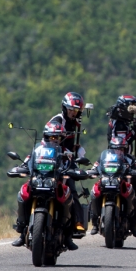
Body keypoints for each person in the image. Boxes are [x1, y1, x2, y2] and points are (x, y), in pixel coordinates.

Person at [11, 121, 78, 250]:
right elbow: (28, 162)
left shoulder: (66, 152)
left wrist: (77, 172)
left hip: (56, 183)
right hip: (38, 181)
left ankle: (68, 237)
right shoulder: (37, 150)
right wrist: (19, 169)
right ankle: (22, 229)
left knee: (71, 199)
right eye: (52, 137)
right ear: (46, 136)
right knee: (22, 193)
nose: (55, 140)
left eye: (58, 137)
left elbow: (73, 166)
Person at [106, 95, 136, 223]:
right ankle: (96, 217)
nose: (133, 111)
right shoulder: (118, 124)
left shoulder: (121, 121)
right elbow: (123, 143)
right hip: (119, 157)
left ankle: (135, 217)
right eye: (131, 108)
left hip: (123, 157)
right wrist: (134, 130)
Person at [49, 92, 87, 236]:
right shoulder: (57, 120)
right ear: (64, 107)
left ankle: (76, 223)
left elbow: (71, 144)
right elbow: (48, 140)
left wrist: (77, 150)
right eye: (70, 109)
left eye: (75, 110)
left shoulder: (75, 123)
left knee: (70, 188)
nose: (72, 112)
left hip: (67, 162)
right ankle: (24, 229)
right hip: (52, 160)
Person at [89, 135, 136, 237]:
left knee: (133, 193)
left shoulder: (129, 158)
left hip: (122, 182)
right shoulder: (104, 157)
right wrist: (91, 171)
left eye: (121, 148)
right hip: (105, 180)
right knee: (94, 192)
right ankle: (94, 222)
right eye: (115, 148)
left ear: (125, 148)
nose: (118, 150)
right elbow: (95, 166)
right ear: (111, 148)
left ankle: (133, 224)